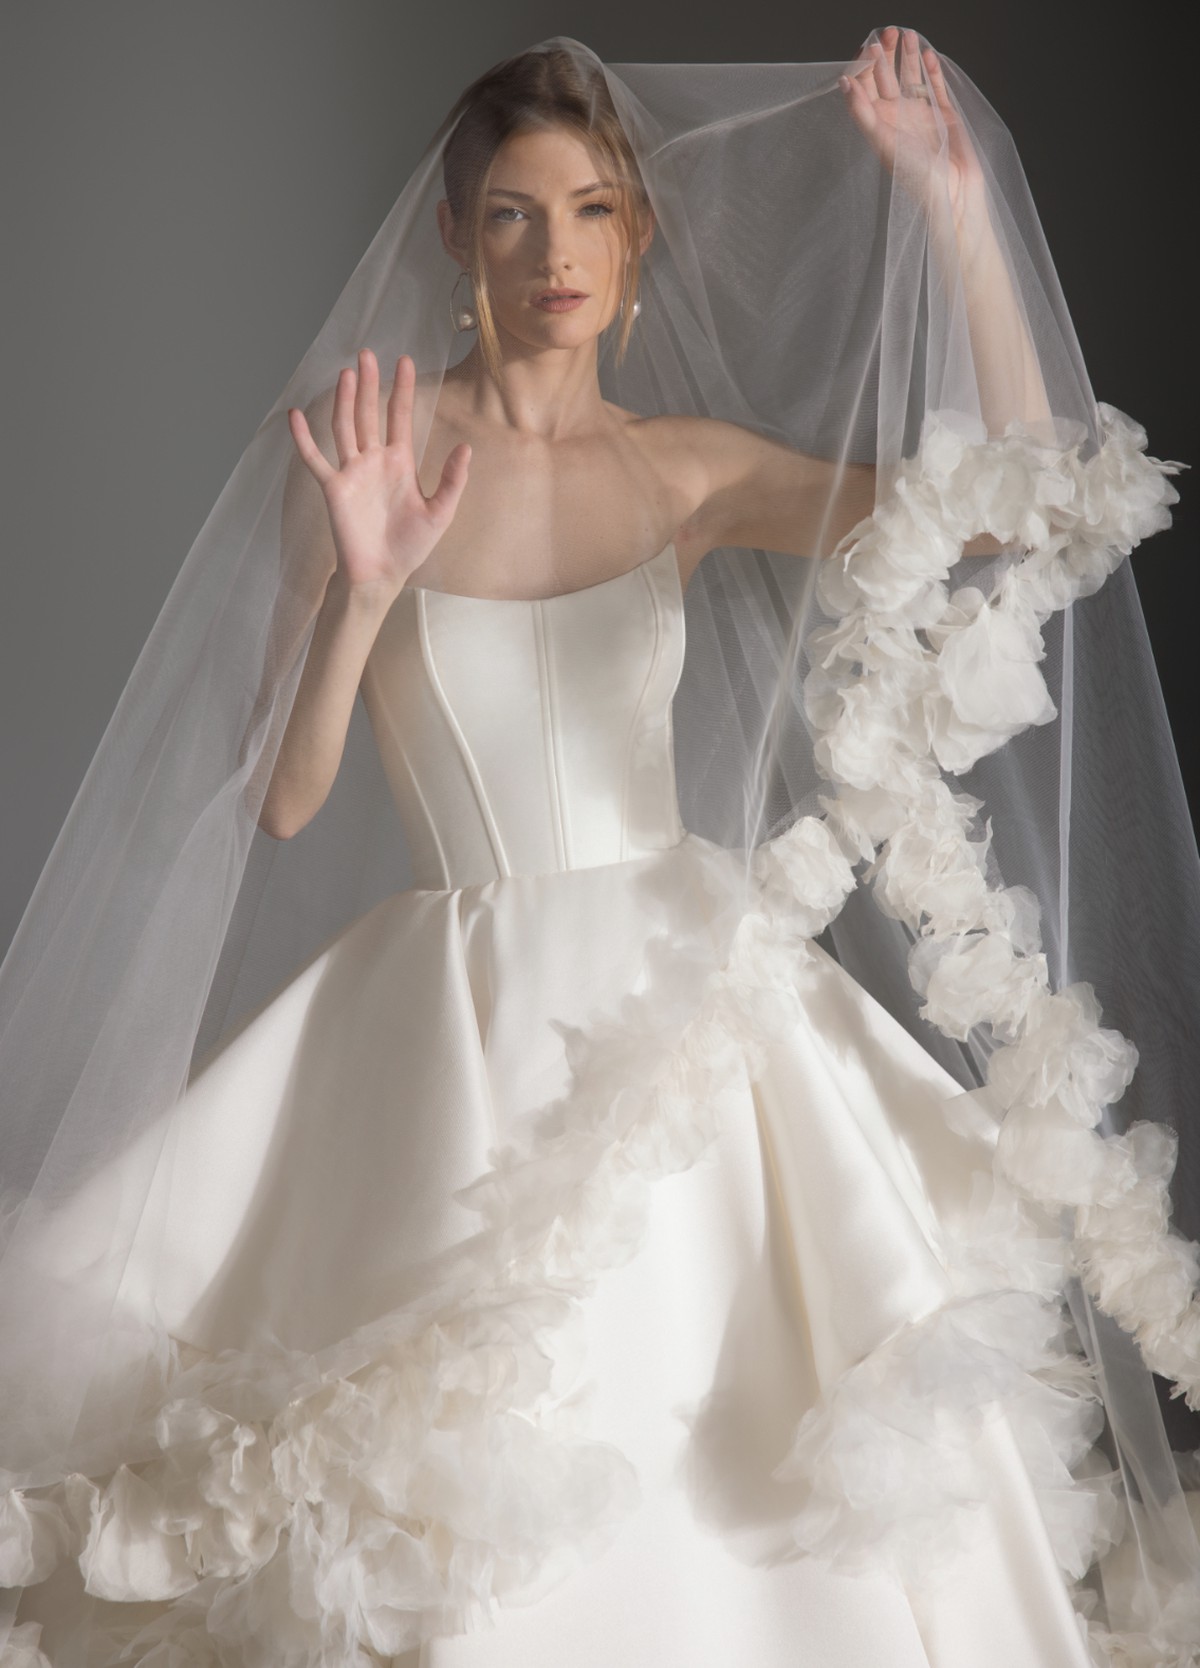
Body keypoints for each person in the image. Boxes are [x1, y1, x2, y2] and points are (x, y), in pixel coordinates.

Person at [1, 29, 1198, 1668]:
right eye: (511, 212)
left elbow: (1027, 501)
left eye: (590, 210)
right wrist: (362, 584)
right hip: (450, 1014)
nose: (553, 254)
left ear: (636, 240)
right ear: (453, 234)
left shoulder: (679, 471)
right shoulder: (368, 452)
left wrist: (963, 219)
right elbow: (284, 799)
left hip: (689, 996)